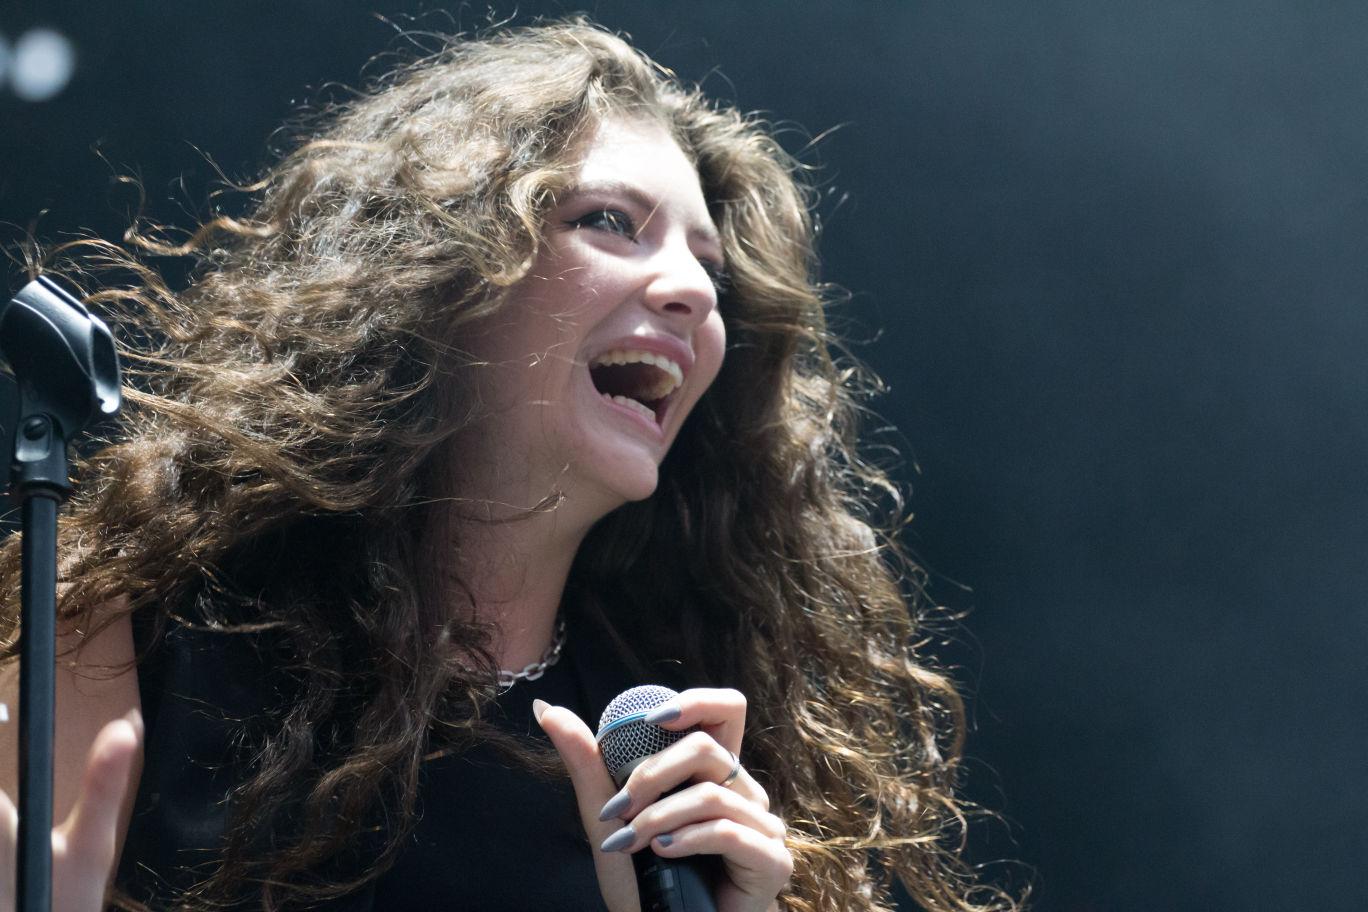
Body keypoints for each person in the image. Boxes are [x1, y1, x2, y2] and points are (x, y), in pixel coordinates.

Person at [0, 18, 1022, 912]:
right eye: (609, 223)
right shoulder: (131, 630)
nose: (691, 293)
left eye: (711, 271)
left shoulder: (680, 747)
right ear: (436, 273)